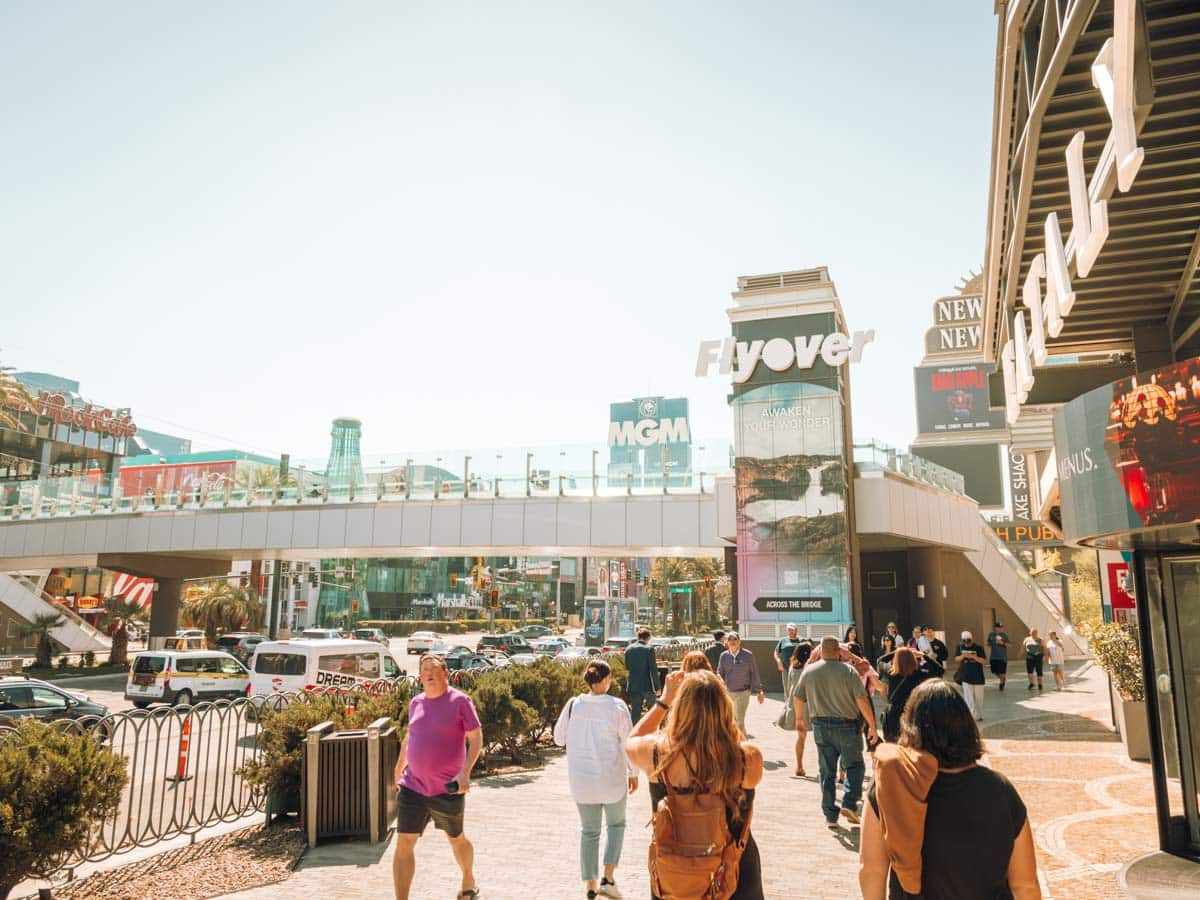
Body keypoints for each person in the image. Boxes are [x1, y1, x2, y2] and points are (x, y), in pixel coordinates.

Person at [859, 680, 1041, 900]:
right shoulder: (1000, 789)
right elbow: (1025, 884)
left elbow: (871, 870)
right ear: (966, 727)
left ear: (909, 726)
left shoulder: (892, 782)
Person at [626, 670, 764, 900]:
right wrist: (721, 713)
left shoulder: (656, 753)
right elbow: (736, 738)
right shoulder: (747, 757)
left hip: (675, 873)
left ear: (680, 707)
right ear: (724, 707)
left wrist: (664, 700)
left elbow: (631, 740)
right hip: (733, 870)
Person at [393, 654, 483, 900]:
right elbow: (410, 736)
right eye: (424, 670)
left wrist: (465, 772)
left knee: (457, 839)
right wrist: (399, 766)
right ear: (420, 676)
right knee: (404, 843)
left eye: (434, 669)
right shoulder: (416, 703)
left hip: (447, 788)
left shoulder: (460, 701)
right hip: (413, 786)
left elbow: (475, 738)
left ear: (445, 673)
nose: (429, 673)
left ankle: (468, 879)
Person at [554, 659, 637, 900]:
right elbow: (627, 743)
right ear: (608, 679)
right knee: (616, 826)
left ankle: (590, 885)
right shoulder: (617, 707)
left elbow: (559, 739)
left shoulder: (573, 705)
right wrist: (633, 773)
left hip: (582, 781)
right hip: (611, 778)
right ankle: (608, 877)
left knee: (589, 832)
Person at [793, 635, 879, 829]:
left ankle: (830, 815)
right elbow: (862, 700)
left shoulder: (810, 671)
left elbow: (798, 697)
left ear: (821, 650)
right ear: (838, 651)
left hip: (820, 726)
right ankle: (849, 802)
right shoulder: (848, 671)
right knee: (855, 765)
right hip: (847, 725)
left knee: (826, 771)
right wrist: (872, 725)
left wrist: (799, 719)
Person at [880, 646, 943, 743]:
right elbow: (940, 670)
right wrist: (924, 656)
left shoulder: (891, 673)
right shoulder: (919, 674)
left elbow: (880, 660)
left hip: (893, 714)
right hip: (912, 713)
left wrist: (897, 652)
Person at [717, 632, 765, 734]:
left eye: (735, 639)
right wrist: (720, 681)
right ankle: (735, 744)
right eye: (730, 640)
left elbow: (754, 673)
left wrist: (759, 691)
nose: (732, 642)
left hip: (743, 692)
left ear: (739, 642)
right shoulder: (724, 656)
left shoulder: (748, 655)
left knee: (739, 721)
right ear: (727, 642)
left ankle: (742, 746)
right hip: (728, 693)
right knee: (731, 721)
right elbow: (719, 672)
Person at [785, 640, 813, 778]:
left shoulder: (792, 667)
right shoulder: (812, 668)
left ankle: (799, 765)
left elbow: (789, 686)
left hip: (796, 704)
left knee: (801, 737)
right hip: (810, 704)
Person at [624, 628, 659, 721]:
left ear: (638, 637)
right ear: (648, 638)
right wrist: (657, 687)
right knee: (652, 711)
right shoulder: (649, 649)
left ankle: (634, 732)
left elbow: (627, 667)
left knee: (635, 711)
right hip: (647, 685)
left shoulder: (629, 649)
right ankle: (652, 731)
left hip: (633, 685)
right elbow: (653, 670)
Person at [955, 631, 988, 722]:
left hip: (978, 677)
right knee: (969, 699)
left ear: (972, 639)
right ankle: (971, 716)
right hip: (966, 677)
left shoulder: (978, 648)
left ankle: (979, 714)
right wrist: (963, 656)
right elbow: (956, 659)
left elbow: (984, 661)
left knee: (979, 698)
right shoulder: (960, 647)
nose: (967, 643)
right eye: (965, 641)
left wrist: (974, 657)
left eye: (968, 641)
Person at [773, 623, 803, 693]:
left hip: (798, 668)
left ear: (796, 630)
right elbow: (776, 652)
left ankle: (797, 704)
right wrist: (778, 661)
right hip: (786, 668)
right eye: (789, 630)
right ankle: (787, 703)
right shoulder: (783, 640)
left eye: (792, 630)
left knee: (798, 688)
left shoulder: (802, 640)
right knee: (787, 688)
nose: (791, 631)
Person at [987, 621, 1011, 691]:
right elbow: (988, 642)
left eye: (1001, 627)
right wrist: (989, 644)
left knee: (1002, 672)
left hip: (1002, 658)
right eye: (999, 627)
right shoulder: (991, 634)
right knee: (994, 671)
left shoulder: (1004, 635)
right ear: (995, 628)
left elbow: (1009, 645)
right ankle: (1002, 679)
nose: (1000, 629)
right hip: (993, 657)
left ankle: (1001, 683)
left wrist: (1002, 643)